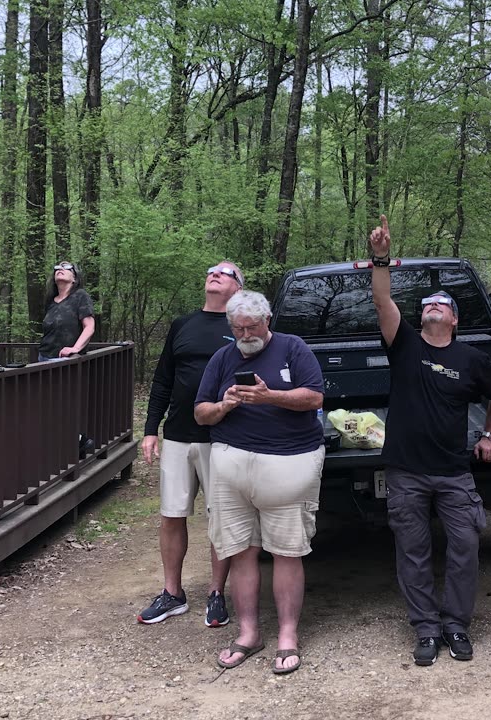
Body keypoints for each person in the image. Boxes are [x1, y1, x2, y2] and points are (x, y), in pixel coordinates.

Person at [365, 216, 491, 667]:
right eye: (427, 302)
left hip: (454, 472)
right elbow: (382, 297)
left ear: (455, 318)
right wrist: (381, 258)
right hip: (406, 472)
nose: (433, 305)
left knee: (466, 544)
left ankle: (456, 626)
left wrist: (488, 434)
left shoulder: (471, 358)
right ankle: (426, 629)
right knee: (413, 551)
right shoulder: (404, 343)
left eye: (442, 303)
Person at [194, 290, 325, 676]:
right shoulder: (222, 357)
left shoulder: (292, 348)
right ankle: (248, 633)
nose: (245, 333)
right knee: (240, 551)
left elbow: (314, 397)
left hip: (289, 461)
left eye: (252, 326)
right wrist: (225, 405)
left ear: (268, 320)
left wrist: (270, 397)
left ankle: (288, 636)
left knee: (287, 550)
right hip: (231, 467)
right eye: (238, 327)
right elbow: (201, 412)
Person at [137, 262, 245, 627]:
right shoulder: (182, 325)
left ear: (238, 287)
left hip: (224, 439)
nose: (215, 273)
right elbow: (162, 380)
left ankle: (217, 593)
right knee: (171, 514)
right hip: (179, 435)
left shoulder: (242, 327)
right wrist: (151, 429)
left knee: (221, 517)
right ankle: (173, 593)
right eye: (211, 271)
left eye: (225, 272)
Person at [38, 261, 95, 361]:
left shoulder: (80, 296)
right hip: (44, 357)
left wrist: (75, 348)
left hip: (67, 359)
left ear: (74, 278)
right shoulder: (50, 301)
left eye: (66, 267)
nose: (60, 269)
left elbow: (89, 326)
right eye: (57, 268)